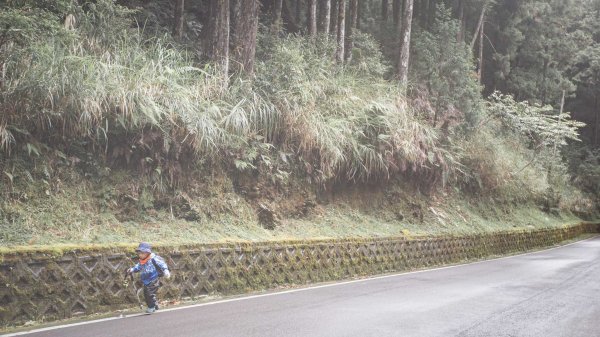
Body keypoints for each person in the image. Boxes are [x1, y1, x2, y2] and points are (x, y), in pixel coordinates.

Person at [127, 242, 171, 314]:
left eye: (142, 253)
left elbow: (162, 264)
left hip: (153, 279)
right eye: (139, 253)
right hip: (146, 280)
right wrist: (132, 269)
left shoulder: (153, 259)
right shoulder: (142, 261)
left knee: (149, 293)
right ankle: (155, 305)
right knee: (148, 293)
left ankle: (151, 307)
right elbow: (138, 267)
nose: (140, 255)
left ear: (148, 252)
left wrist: (166, 270)